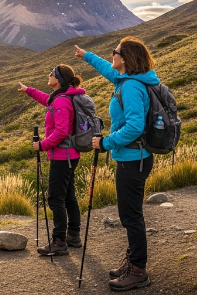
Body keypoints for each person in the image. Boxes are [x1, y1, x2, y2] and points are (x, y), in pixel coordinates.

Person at [74, 38, 158, 292]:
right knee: (129, 214)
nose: (112, 54)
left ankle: (138, 271)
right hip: (133, 157)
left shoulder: (130, 87)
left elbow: (134, 126)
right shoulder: (125, 80)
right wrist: (86, 55)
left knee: (131, 216)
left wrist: (106, 142)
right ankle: (133, 262)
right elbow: (106, 69)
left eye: (116, 52)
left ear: (125, 59)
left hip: (133, 159)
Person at [17, 64, 86, 256]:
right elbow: (46, 100)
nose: (49, 75)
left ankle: (59, 242)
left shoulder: (62, 101)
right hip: (70, 155)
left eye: (51, 73)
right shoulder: (60, 97)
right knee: (68, 195)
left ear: (59, 80)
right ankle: (73, 235)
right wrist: (29, 90)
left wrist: (42, 145)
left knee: (56, 198)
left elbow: (61, 131)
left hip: (62, 157)